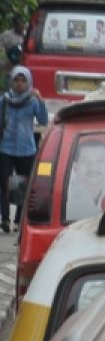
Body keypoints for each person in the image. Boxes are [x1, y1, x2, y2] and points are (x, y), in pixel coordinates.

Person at [0, 66, 48, 232]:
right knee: (4, 185)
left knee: (22, 186)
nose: (19, 84)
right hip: (5, 148)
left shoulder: (33, 101)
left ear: (28, 83)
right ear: (11, 81)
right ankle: (5, 220)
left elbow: (43, 120)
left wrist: (41, 100)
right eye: (16, 80)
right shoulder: (4, 100)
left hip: (26, 149)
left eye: (23, 81)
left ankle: (19, 220)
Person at [64, 140, 105, 223]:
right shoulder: (66, 196)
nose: (93, 167)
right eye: (85, 161)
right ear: (75, 167)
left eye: (100, 161)